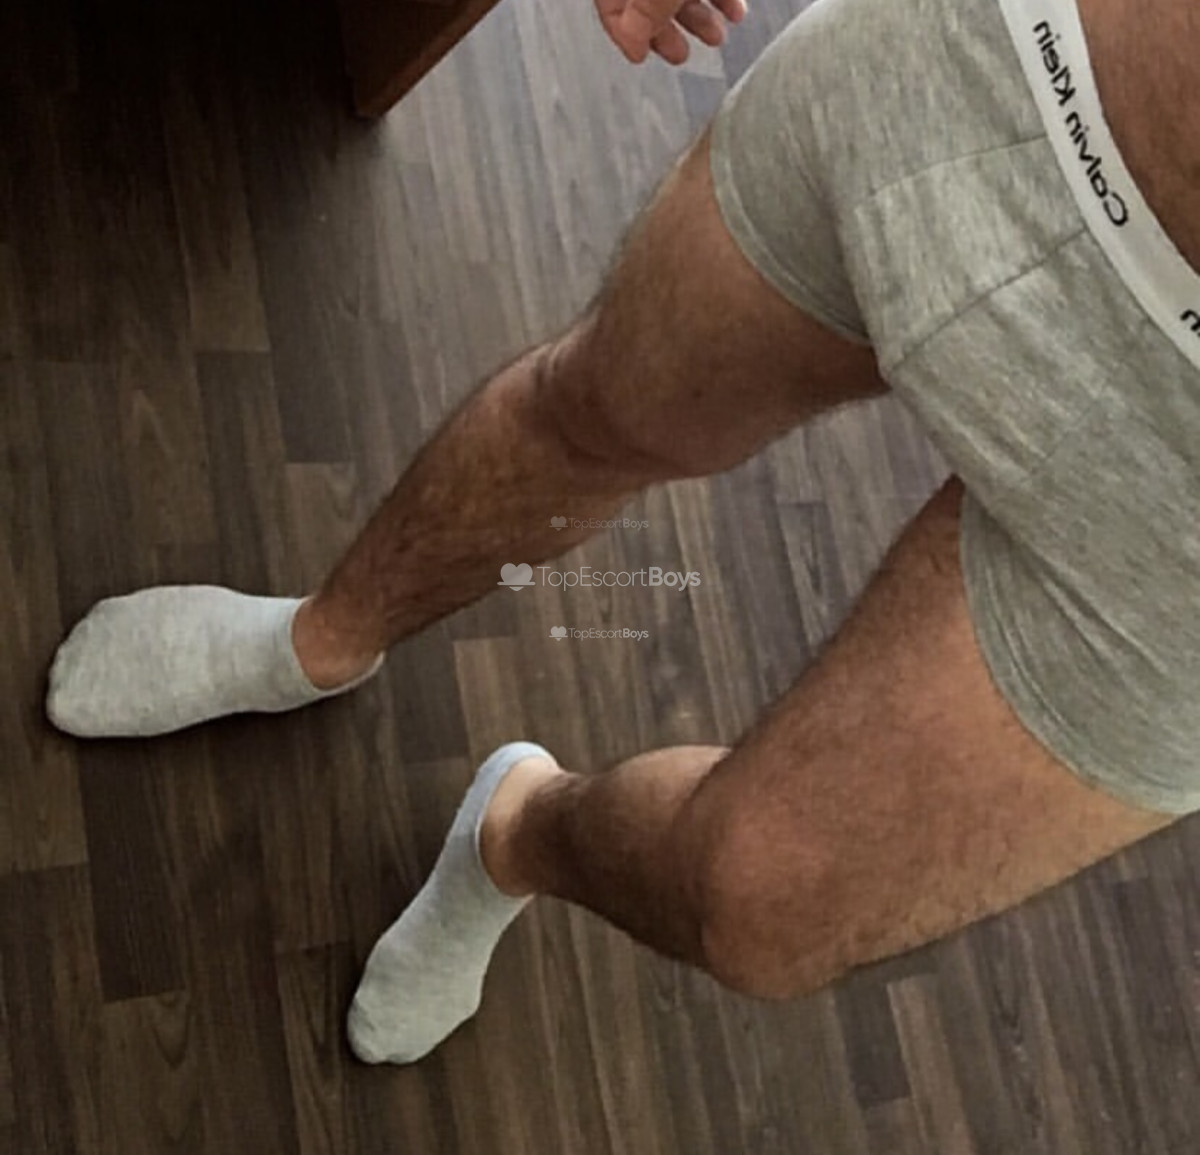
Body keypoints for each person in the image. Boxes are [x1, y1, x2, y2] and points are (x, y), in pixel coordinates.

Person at [44, 0, 1200, 1065]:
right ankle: (315, 643)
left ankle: (511, 833)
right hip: (1020, 60)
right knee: (594, 409)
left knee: (755, 901)